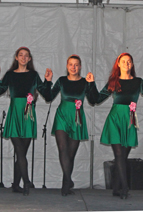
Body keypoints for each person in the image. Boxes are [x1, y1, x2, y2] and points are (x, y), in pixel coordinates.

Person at [91, 52, 143, 199]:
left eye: (129, 61)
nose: (126, 64)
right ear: (118, 64)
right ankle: (125, 187)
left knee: (123, 156)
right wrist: (90, 84)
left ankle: (116, 188)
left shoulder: (138, 82)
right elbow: (96, 99)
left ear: (132, 64)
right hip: (115, 119)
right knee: (119, 154)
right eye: (123, 61)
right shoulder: (113, 81)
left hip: (129, 120)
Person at [0, 46, 52, 196]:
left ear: (29, 59)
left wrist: (47, 81)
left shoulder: (33, 75)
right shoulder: (10, 74)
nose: (24, 57)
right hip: (15, 114)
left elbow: (47, 94)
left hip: (27, 115)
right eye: (21, 55)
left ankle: (15, 184)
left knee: (22, 152)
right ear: (16, 58)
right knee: (20, 151)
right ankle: (26, 181)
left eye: (26, 55)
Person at [47, 55, 97, 196]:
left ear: (80, 66)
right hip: (62, 116)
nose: (73, 67)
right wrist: (47, 82)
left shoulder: (84, 82)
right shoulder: (62, 81)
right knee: (62, 148)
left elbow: (93, 100)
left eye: (76, 65)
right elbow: (49, 96)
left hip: (77, 118)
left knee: (70, 153)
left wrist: (92, 83)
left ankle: (66, 183)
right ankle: (68, 182)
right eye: (71, 64)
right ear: (67, 66)